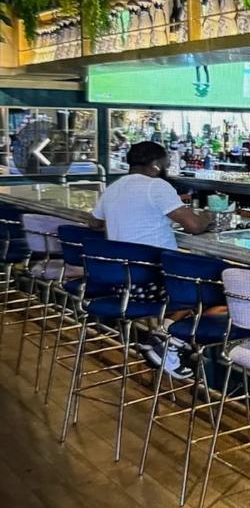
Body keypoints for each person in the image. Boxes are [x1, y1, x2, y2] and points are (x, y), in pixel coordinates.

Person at [88, 141, 211, 378]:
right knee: (215, 289)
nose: (166, 169)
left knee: (198, 287)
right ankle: (165, 341)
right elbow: (194, 226)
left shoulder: (114, 187)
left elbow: (93, 223)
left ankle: (163, 340)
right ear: (156, 165)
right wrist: (208, 217)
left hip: (121, 284)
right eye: (165, 164)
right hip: (154, 285)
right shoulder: (156, 186)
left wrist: (123, 218)